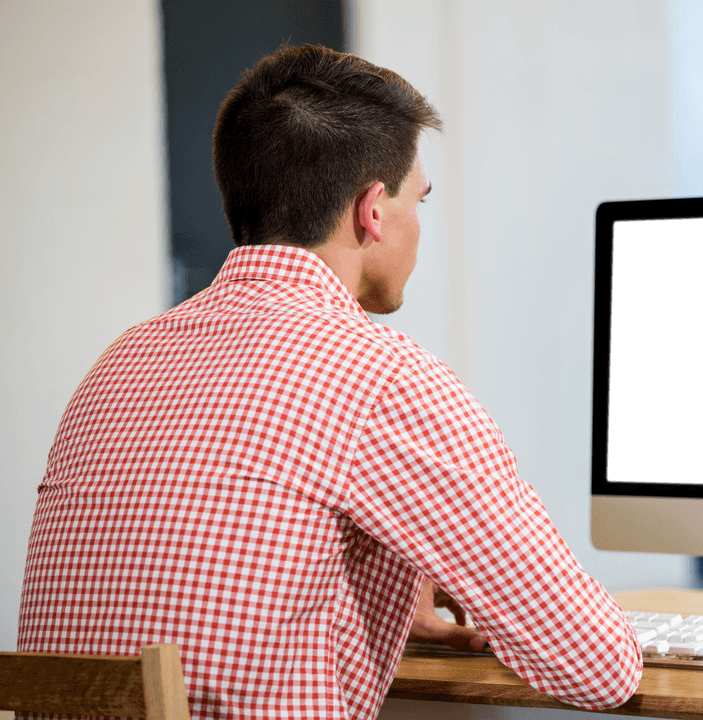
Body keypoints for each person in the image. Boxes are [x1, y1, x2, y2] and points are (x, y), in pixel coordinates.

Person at [18, 44, 641, 719]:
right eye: (418, 199)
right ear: (373, 210)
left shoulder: (119, 362)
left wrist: (395, 575)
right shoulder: (384, 377)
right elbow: (597, 666)